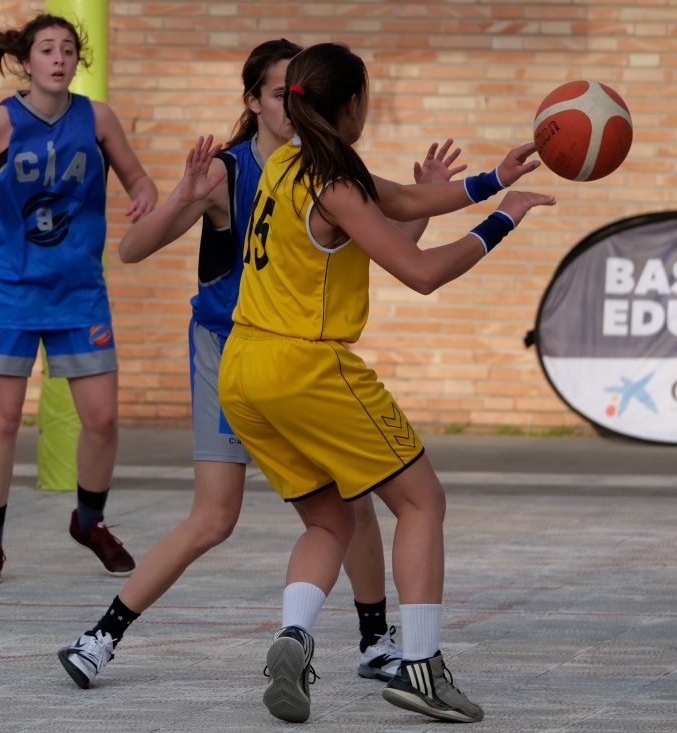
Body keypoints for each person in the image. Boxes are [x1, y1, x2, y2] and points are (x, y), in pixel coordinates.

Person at [57, 39, 466, 690]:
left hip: (280, 358)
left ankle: (371, 640)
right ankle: (103, 635)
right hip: (230, 348)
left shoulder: (318, 169)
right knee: (215, 518)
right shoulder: (231, 170)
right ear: (254, 101)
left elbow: (382, 252)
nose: (291, 103)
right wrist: (181, 197)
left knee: (353, 504)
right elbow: (131, 249)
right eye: (279, 93)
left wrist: (434, 198)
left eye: (296, 91)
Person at [217, 42, 554, 724]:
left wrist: (491, 178)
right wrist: (503, 219)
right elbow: (420, 271)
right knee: (422, 501)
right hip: (306, 367)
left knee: (330, 518)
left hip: (243, 366)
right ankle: (422, 668)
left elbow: (399, 197)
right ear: (353, 104)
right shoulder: (336, 185)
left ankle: (293, 635)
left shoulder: (287, 162)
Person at [0, 15, 157, 583]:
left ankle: (90, 522)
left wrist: (144, 195)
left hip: (79, 293)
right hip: (7, 292)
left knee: (103, 418)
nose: (59, 59)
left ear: (77, 60)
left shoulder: (98, 119)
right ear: (25, 61)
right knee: (3, 419)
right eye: (47, 50)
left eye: (67, 50)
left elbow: (139, 178)